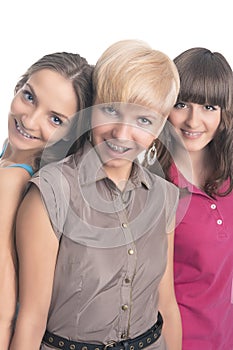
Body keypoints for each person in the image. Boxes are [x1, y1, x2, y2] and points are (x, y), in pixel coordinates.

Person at [10, 39, 182, 350]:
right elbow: (31, 320)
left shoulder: (165, 197)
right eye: (111, 110)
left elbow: (167, 304)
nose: (121, 134)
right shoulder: (51, 193)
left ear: (160, 129)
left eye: (143, 120)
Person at [0, 51, 93, 349]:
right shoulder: (7, 154)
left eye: (55, 119)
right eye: (29, 96)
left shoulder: (13, 181)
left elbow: (4, 306)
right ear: (19, 86)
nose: (29, 119)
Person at [153, 47, 233, 349]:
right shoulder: (155, 182)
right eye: (181, 104)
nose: (193, 121)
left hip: (224, 337)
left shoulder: (228, 174)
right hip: (172, 341)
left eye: (209, 107)